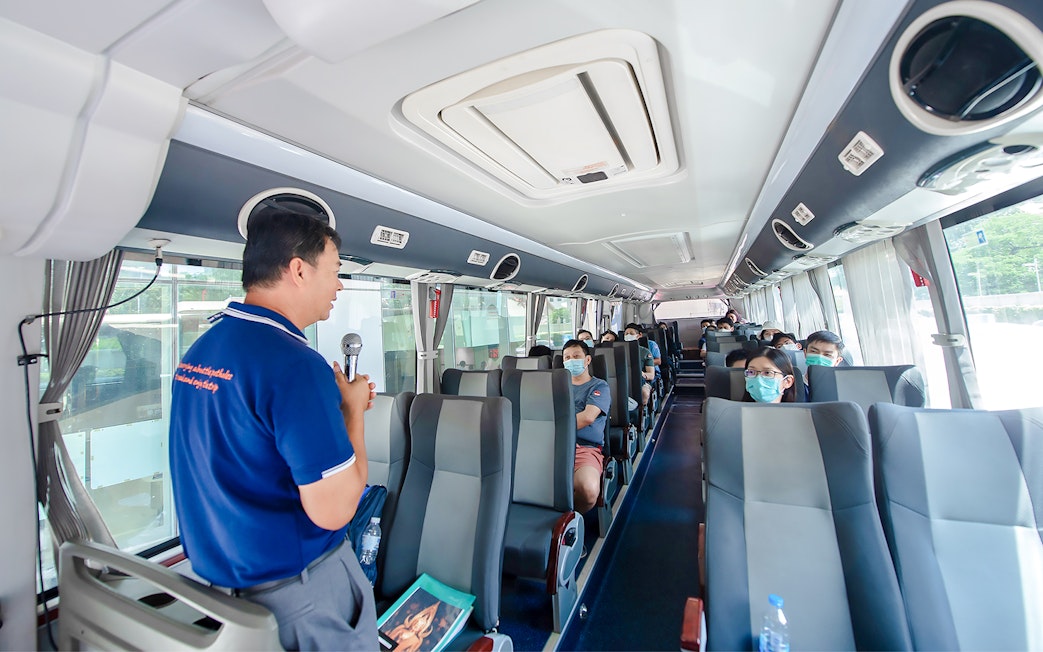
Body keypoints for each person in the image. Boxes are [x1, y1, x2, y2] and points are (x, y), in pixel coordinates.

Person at [169, 209, 377, 650]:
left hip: (220, 592)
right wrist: (354, 411)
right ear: (299, 270)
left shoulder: (201, 351)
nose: (339, 286)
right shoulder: (296, 367)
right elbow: (336, 510)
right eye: (336, 271)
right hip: (299, 593)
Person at [561, 338, 611, 514]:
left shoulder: (599, 386)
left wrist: (553, 429)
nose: (570, 361)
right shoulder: (556, 386)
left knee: (588, 491)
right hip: (554, 446)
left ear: (587, 360)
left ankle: (567, 522)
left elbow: (587, 417)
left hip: (585, 448)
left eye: (576, 356)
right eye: (566, 358)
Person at [622, 324, 655, 406]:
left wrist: (642, 374)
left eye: (631, 333)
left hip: (642, 381)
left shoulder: (645, 352)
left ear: (639, 335)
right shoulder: (619, 350)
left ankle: (641, 413)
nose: (628, 335)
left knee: (644, 393)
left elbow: (651, 375)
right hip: (623, 380)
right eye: (626, 334)